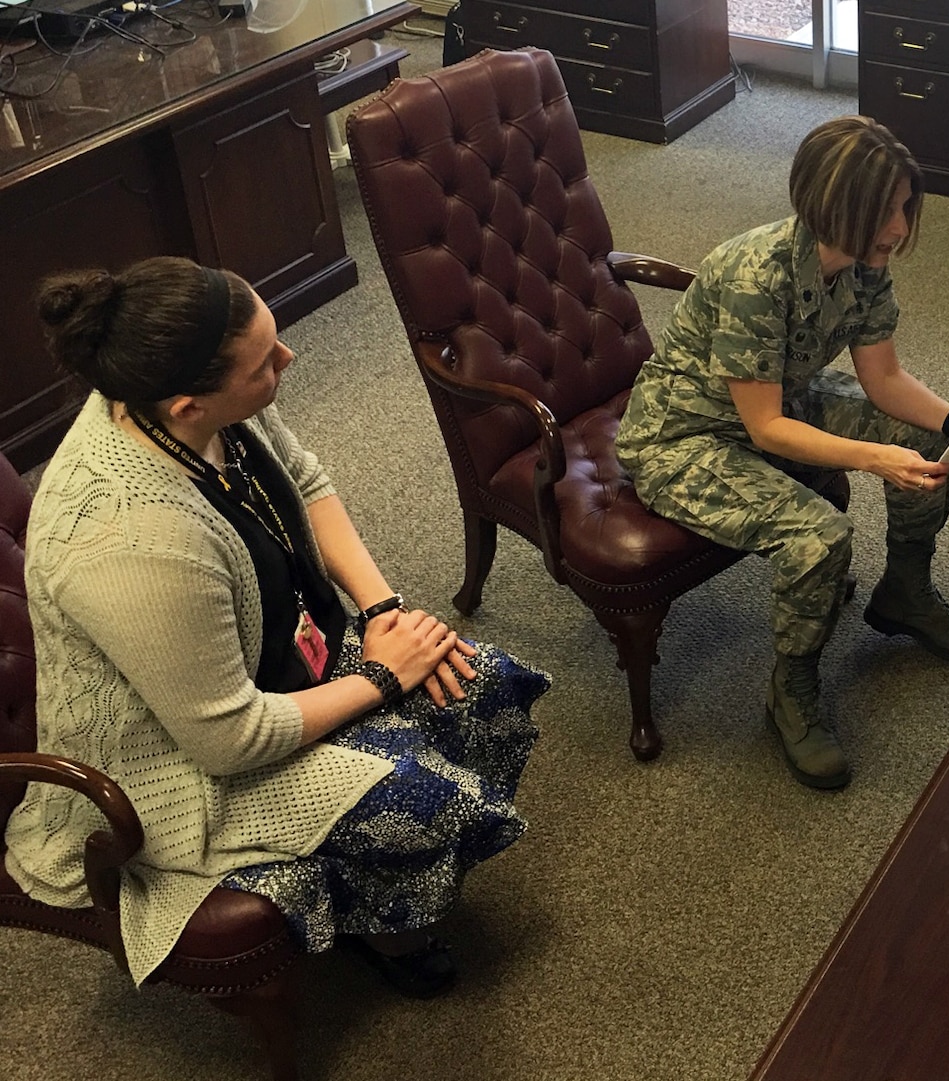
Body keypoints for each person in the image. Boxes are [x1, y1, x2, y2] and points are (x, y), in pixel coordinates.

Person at [4, 258, 546, 997]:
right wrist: (383, 676)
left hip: (275, 652)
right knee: (431, 803)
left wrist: (384, 610)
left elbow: (308, 481)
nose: (288, 359)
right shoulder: (132, 537)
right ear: (191, 403)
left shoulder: (194, 397)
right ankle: (389, 928)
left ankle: (376, 882)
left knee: (486, 687)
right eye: (266, 363)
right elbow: (229, 740)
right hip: (178, 764)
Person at [615, 116, 949, 790]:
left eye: (904, 207)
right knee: (820, 536)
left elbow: (884, 379)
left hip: (774, 400)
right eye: (887, 210)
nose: (900, 225)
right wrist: (870, 457)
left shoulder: (863, 266)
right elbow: (767, 429)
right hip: (685, 437)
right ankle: (791, 692)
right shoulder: (756, 274)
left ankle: (906, 594)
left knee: (924, 441)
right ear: (839, 207)